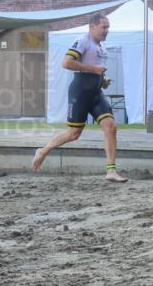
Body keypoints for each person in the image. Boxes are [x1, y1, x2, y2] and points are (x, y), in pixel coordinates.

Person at [32, 13, 128, 182]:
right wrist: (93, 69)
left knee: (110, 127)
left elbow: (96, 70)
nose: (107, 31)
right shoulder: (83, 41)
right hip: (80, 92)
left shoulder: (101, 46)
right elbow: (66, 63)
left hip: (96, 93)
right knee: (73, 134)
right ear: (92, 27)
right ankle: (43, 151)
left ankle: (111, 171)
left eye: (108, 28)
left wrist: (103, 80)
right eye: (103, 27)